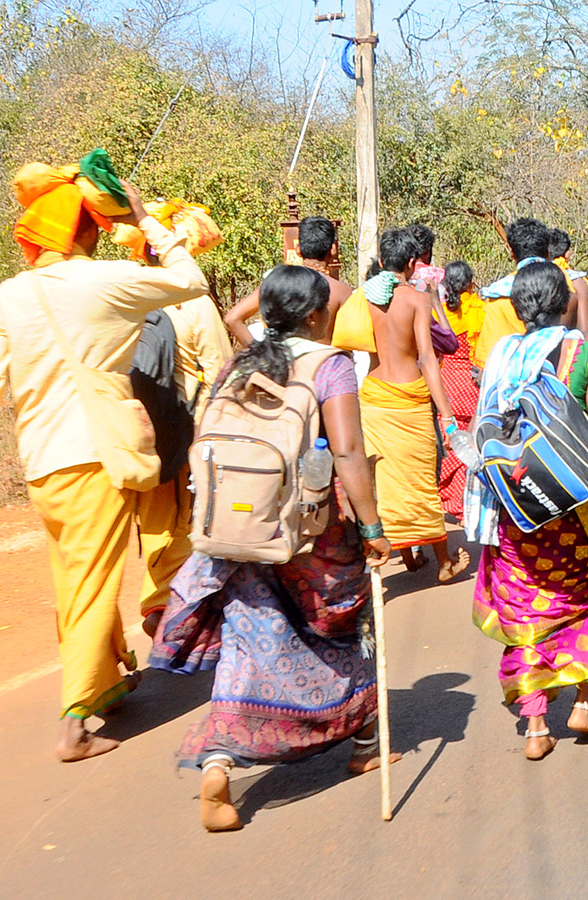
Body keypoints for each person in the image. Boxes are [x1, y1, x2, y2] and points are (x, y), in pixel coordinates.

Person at [0, 168, 208, 761]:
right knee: (92, 584)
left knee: (73, 578)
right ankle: (75, 720)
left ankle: (111, 680)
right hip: (96, 455)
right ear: (87, 230)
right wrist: (143, 217)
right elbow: (190, 280)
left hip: (40, 463)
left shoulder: (7, 296)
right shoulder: (106, 281)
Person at [150, 265, 394, 832]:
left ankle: (218, 761)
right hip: (310, 532)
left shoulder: (236, 364)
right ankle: (363, 741)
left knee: (248, 641)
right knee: (347, 621)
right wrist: (374, 529)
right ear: (314, 315)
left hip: (237, 529)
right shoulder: (328, 366)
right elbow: (350, 452)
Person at [468, 261, 588, 760]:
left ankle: (534, 727)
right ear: (564, 303)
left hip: (515, 508)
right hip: (573, 512)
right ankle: (583, 706)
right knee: (587, 599)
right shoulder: (582, 356)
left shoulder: (502, 355)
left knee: (527, 609)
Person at [360, 228, 470, 582]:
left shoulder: (367, 297)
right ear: (412, 264)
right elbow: (426, 358)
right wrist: (448, 415)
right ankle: (444, 562)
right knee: (422, 481)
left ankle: (406, 553)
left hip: (374, 395)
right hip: (410, 397)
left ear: (380, 262)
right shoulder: (416, 300)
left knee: (387, 480)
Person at [137, 290, 233, 638]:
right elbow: (220, 368)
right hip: (186, 431)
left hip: (138, 434)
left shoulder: (131, 292)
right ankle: (169, 604)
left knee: (154, 519)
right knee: (187, 518)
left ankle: (157, 599)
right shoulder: (193, 303)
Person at [473, 218, 588, 367]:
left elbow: (486, 362)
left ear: (512, 253)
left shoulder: (497, 297)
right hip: (560, 378)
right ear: (547, 251)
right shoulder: (567, 285)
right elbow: (584, 332)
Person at [224, 216, 351, 347]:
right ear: (333, 249)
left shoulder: (278, 282)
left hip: (282, 364)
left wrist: (260, 353)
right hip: (325, 365)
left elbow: (232, 319)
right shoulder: (342, 291)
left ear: (297, 248)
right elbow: (352, 339)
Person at [437, 261, 484, 520]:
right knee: (466, 444)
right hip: (471, 383)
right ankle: (460, 502)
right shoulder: (479, 309)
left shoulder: (439, 311)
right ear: (470, 282)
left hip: (446, 383)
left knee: (448, 441)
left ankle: (446, 499)